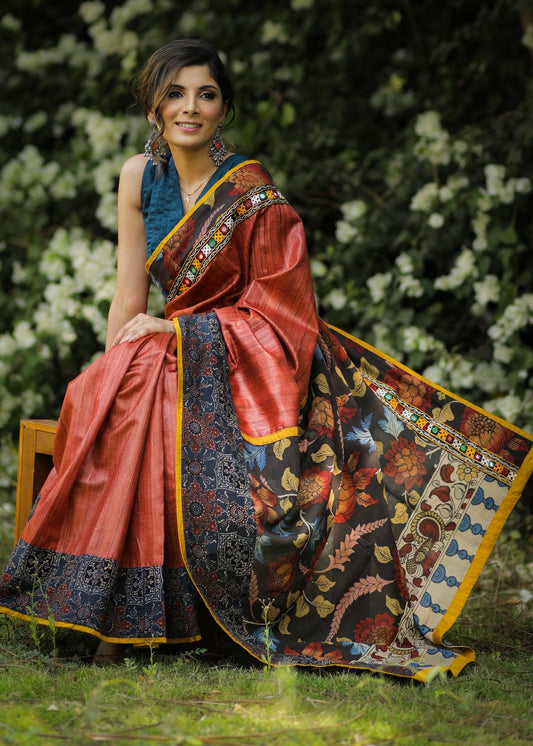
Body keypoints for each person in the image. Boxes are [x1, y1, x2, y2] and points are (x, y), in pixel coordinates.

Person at [1, 39, 532, 680]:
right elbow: (128, 295)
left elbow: (282, 314)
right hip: (172, 356)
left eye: (206, 95)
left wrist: (179, 332)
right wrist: (110, 371)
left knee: (148, 384)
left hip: (249, 363)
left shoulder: (254, 196)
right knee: (121, 383)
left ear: (224, 109)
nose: (190, 108)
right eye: (175, 94)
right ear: (152, 107)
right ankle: (114, 612)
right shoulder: (138, 176)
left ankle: (128, 626)